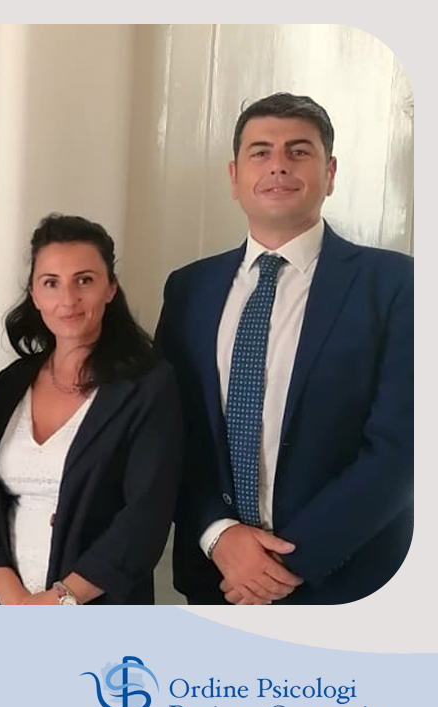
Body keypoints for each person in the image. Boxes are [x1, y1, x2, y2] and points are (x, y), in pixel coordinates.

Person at [156, 92, 413, 605]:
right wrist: (218, 534)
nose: (278, 165)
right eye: (261, 152)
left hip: (347, 583)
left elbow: (401, 449)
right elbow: (169, 432)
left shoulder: (396, 285)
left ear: (330, 173)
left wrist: (284, 563)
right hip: (218, 578)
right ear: (234, 177)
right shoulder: (189, 289)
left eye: (299, 151)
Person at [0, 214, 181, 605]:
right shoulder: (12, 382)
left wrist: (61, 599)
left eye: (84, 280)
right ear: (34, 294)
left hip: (99, 609)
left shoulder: (148, 386)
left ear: (110, 288)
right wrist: (13, 597)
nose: (67, 299)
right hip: (8, 605)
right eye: (51, 282)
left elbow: (145, 516)